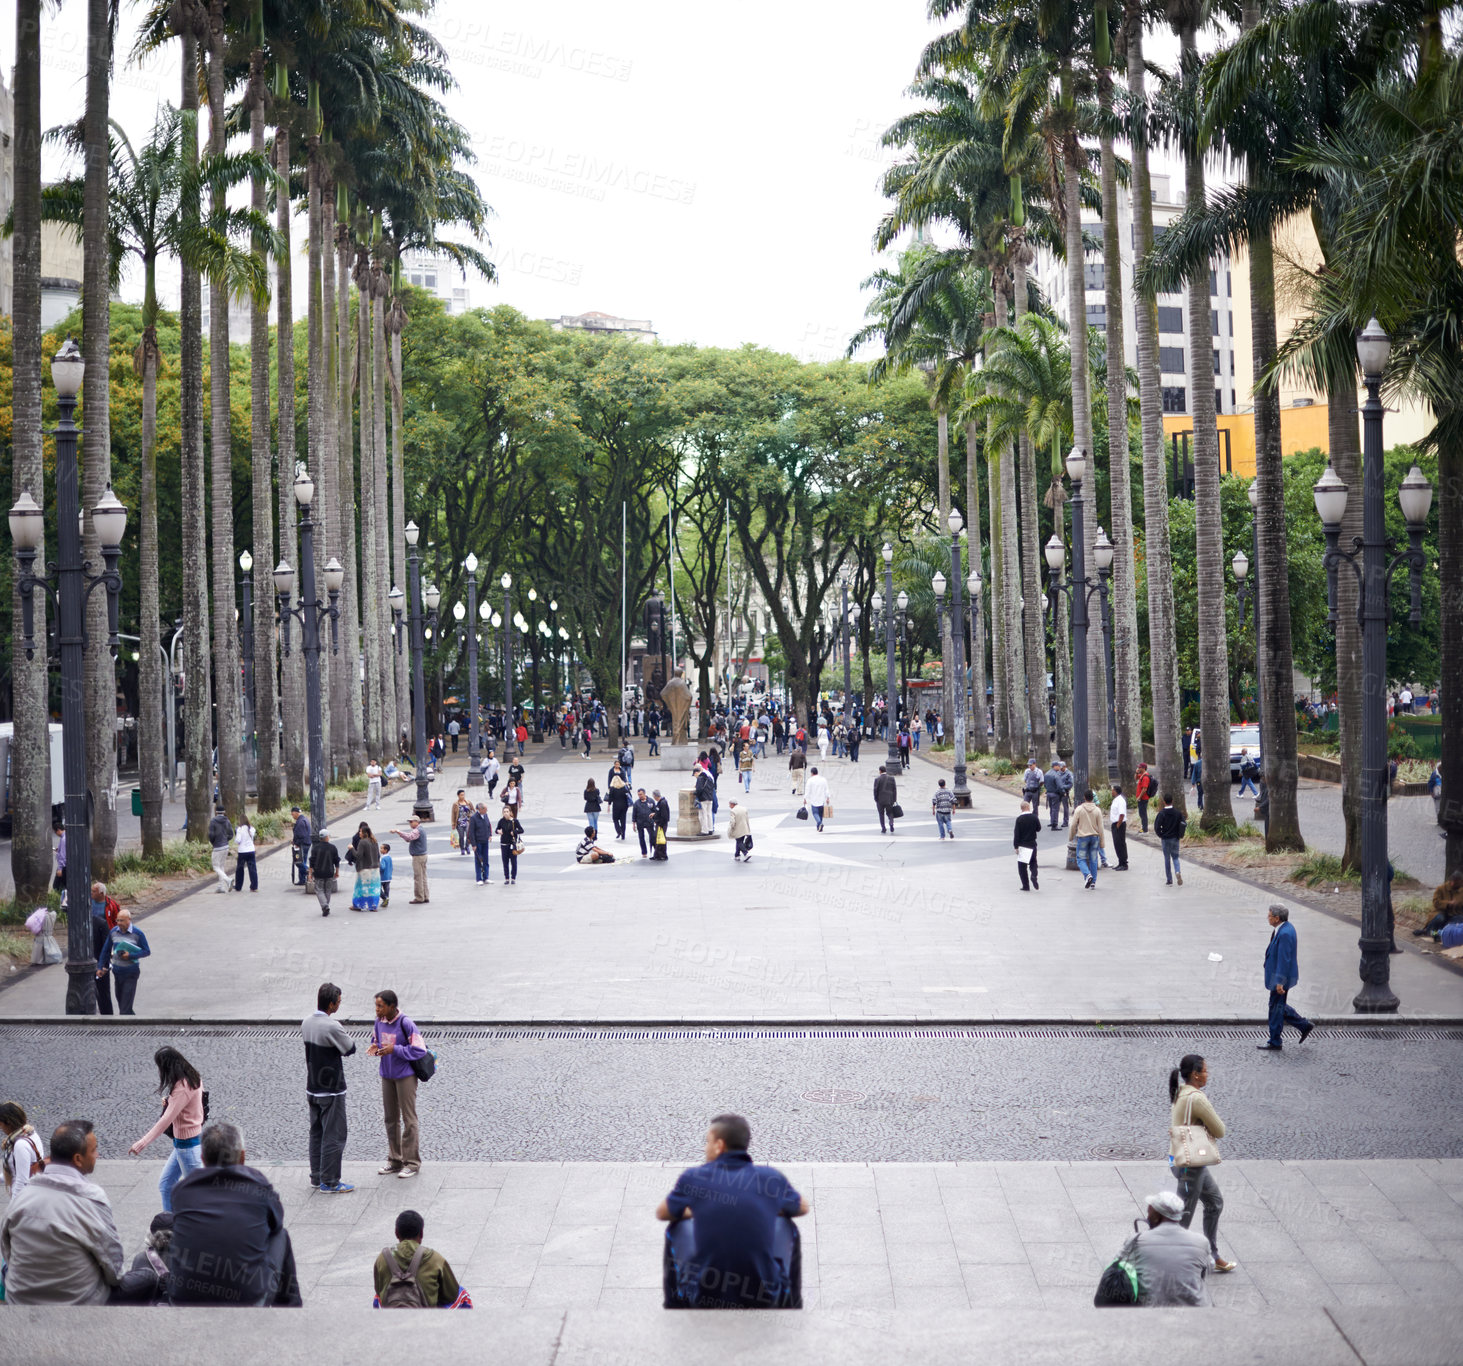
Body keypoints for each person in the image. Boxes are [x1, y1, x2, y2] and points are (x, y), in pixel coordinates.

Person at [657, 1113, 807, 1309]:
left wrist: (697, 1210)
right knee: (787, 1224)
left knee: (676, 1225)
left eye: (707, 1142)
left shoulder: (694, 1178)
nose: (705, 1147)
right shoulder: (771, 1179)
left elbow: (663, 1212)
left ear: (719, 1145)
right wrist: (767, 1208)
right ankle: (791, 1305)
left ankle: (675, 1307)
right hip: (763, 1297)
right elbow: (802, 1207)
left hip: (705, 1296)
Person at [168, 1122, 302, 1305]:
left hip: (184, 1298)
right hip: (247, 1299)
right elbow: (276, 1223)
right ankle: (290, 1312)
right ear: (242, 1157)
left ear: (203, 1158)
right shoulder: (257, 1186)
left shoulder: (181, 1190)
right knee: (281, 1236)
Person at [0, 1119, 123, 1305]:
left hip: (20, 1300)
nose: (97, 1155)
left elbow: (7, 1252)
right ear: (77, 1159)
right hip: (78, 1304)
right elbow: (113, 1266)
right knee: (146, 1275)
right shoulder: (92, 1199)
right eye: (94, 1150)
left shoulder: (21, 1199)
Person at [1167, 1056, 1237, 1272]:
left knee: (1214, 1202)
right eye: (1205, 1071)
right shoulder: (1197, 1099)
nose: (1208, 1074)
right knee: (1182, 1218)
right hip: (1190, 1166)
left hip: (1181, 1160)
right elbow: (1220, 1130)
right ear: (1196, 1074)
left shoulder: (1181, 1091)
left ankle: (1213, 1255)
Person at [128, 1046, 207, 1211]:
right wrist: (172, 1102)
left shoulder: (182, 1088)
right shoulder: (192, 1078)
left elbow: (165, 1120)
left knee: (198, 1195)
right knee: (166, 1185)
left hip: (187, 1146)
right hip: (185, 1144)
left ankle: (200, 1228)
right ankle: (169, 1224)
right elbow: (194, 1105)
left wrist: (141, 1143)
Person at [303, 982, 357, 1193]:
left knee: (316, 1134)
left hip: (312, 1087)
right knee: (334, 1136)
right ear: (332, 1004)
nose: (339, 1005)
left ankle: (316, 1176)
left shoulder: (306, 1022)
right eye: (339, 1002)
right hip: (332, 1089)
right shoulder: (332, 1026)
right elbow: (350, 1048)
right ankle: (330, 1181)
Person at [1115, 1192, 1214, 1306]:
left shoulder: (1136, 1241)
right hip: (1197, 1311)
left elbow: (1117, 1267)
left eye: (1149, 1212)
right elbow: (1210, 1268)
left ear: (1157, 1216)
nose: (1147, 1216)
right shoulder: (1201, 1241)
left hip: (1151, 1311)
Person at [368, 990, 427, 1179]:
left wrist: (396, 1049)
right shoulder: (379, 1022)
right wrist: (376, 1048)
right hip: (387, 1074)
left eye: (380, 1006)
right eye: (376, 1005)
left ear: (392, 1007)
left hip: (405, 1076)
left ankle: (412, 1163)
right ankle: (395, 1159)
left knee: (409, 1119)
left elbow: (419, 1049)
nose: (377, 1009)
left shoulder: (405, 1023)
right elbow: (376, 1040)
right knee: (390, 1118)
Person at [373, 1208, 471, 1308]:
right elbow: (451, 1295)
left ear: (396, 1233)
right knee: (462, 1295)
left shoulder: (382, 1257)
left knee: (377, 1298)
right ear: (421, 1234)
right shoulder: (435, 1259)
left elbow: (378, 1289)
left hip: (391, 1314)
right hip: (424, 1317)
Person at [1260, 905, 1313, 1050]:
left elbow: (1284, 960)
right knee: (1278, 1006)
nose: (1267, 917)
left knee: (1275, 1008)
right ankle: (1303, 1025)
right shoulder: (1284, 929)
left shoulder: (1284, 934)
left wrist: (1279, 982)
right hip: (1278, 977)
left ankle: (1275, 1041)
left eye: (1269, 915)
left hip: (1279, 979)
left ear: (1277, 918)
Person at [97, 907, 151, 1015]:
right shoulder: (113, 932)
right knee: (122, 1003)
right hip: (117, 972)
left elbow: (146, 951)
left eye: (121, 920)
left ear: (128, 920)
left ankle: (125, 1029)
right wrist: (100, 966)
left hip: (131, 972)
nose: (119, 923)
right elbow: (106, 950)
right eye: (117, 920)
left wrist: (130, 955)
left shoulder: (137, 933)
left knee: (124, 1008)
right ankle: (133, 1022)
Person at [1, 1101, 46, 1200]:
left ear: (8, 1123)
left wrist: (14, 1208)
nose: (1, 1128)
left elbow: (22, 1181)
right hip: (35, 1195)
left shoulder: (20, 1145)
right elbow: (16, 1172)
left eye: (1, 1124)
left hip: (26, 1200)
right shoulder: (31, 1133)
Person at [89, 882, 120, 1015]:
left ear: (101, 893)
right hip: (93, 937)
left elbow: (117, 920)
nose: (91, 893)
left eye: (94, 891)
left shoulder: (111, 905)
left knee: (102, 981)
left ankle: (106, 1011)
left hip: (105, 935)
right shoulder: (89, 903)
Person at [390, 815, 430, 904]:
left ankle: (419, 897)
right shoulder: (421, 829)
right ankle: (425, 896)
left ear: (416, 822)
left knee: (418, 877)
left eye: (411, 822)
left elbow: (409, 837)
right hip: (423, 855)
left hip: (418, 856)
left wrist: (398, 831)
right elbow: (409, 838)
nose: (410, 824)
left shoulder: (417, 830)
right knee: (423, 876)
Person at [1071, 789, 1106, 889]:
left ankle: (1087, 875)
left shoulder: (1079, 809)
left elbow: (1073, 824)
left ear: (1084, 798)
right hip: (1095, 838)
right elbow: (1101, 827)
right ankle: (1093, 882)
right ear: (1093, 798)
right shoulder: (1097, 810)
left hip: (1083, 837)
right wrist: (1102, 842)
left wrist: (1071, 835)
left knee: (1081, 859)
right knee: (1093, 859)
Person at [1414, 872, 1463, 937]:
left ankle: (1437, 933)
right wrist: (1448, 903)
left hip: (1454, 914)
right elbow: (1436, 902)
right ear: (1452, 882)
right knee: (1440, 918)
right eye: (1459, 883)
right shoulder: (1441, 889)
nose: (1461, 885)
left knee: (1457, 921)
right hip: (1441, 912)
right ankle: (1429, 931)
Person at [1154, 793, 1186, 887]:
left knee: (1167, 859)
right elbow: (1183, 823)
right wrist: (1179, 835)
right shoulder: (1178, 813)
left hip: (1165, 838)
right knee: (1175, 857)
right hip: (1175, 838)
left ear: (1164, 802)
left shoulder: (1162, 813)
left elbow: (1157, 826)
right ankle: (1177, 871)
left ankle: (1169, 879)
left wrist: (1161, 834)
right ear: (1172, 801)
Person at [349, 823, 383, 912]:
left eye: (360, 832)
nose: (359, 833)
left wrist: (351, 848)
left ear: (364, 833)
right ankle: (373, 905)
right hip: (375, 869)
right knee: (373, 888)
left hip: (364, 868)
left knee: (360, 888)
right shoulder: (374, 841)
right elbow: (378, 855)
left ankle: (358, 905)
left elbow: (358, 855)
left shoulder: (362, 842)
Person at [309, 827, 342, 916]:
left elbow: (311, 861)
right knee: (328, 890)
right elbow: (336, 861)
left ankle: (325, 906)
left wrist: (310, 873)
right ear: (327, 837)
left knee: (319, 890)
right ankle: (325, 905)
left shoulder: (315, 848)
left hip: (319, 873)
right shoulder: (333, 848)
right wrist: (337, 871)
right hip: (329, 872)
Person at [1014, 799, 1041, 891]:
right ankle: (1034, 875)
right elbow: (1039, 828)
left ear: (1021, 809)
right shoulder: (1034, 817)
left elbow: (1016, 834)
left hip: (1023, 845)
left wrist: (1016, 846)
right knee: (1033, 862)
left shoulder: (1019, 819)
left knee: (1022, 867)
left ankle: (1026, 885)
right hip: (1032, 843)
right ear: (1028, 807)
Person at [208, 803, 234, 894]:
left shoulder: (213, 821)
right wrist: (226, 840)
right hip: (225, 846)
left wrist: (214, 843)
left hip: (217, 847)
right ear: (224, 812)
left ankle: (228, 880)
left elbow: (211, 835)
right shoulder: (227, 821)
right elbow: (231, 834)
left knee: (215, 866)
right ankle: (220, 887)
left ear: (216, 812)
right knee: (221, 867)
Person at [497, 805, 524, 884]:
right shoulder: (501, 821)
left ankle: (513, 878)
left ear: (510, 812)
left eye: (507, 812)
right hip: (504, 844)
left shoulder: (515, 821)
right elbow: (497, 829)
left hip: (512, 844)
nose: (506, 813)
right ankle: (506, 878)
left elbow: (521, 830)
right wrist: (498, 831)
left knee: (513, 861)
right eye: (504, 812)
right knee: (505, 861)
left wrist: (515, 832)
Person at [469, 802, 494, 884]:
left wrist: (490, 834)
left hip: (485, 841)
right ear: (481, 810)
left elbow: (488, 825)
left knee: (486, 859)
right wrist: (473, 844)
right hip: (478, 842)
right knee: (478, 860)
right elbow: (471, 832)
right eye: (485, 809)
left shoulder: (486, 815)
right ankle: (479, 878)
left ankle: (486, 877)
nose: (487, 810)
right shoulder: (473, 818)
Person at [607, 764, 632, 839]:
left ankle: (618, 831)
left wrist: (609, 804)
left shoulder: (612, 788)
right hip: (624, 806)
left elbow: (610, 797)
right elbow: (629, 795)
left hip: (616, 806)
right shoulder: (624, 788)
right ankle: (623, 834)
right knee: (623, 820)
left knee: (615, 819)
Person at [804, 766, 831, 832]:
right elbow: (826, 789)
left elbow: (807, 790)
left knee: (815, 813)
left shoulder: (810, 780)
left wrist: (805, 798)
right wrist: (828, 797)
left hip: (814, 799)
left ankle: (819, 823)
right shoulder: (823, 779)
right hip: (822, 799)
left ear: (812, 773)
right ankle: (819, 826)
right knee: (820, 813)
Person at [1110, 784, 1129, 871]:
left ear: (1116, 791)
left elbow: (1121, 814)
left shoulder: (1120, 800)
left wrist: (1118, 825)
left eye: (1112, 790)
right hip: (1115, 824)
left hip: (1119, 824)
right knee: (1117, 844)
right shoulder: (1116, 800)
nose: (1111, 792)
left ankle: (1124, 863)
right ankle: (1120, 862)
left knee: (1120, 843)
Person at [292, 806, 312, 889]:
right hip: (307, 843)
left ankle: (309, 872)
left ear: (296, 813)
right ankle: (302, 880)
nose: (292, 816)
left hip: (302, 844)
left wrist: (296, 843)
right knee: (302, 861)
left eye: (292, 814)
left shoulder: (300, 822)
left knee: (299, 862)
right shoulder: (305, 819)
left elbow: (301, 835)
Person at [873, 765, 897, 834]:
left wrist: (876, 799)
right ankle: (891, 822)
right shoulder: (891, 778)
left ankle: (883, 828)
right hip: (889, 799)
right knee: (890, 813)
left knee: (881, 814)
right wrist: (894, 799)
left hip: (880, 800)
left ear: (880, 771)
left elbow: (875, 790)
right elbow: (894, 790)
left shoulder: (877, 779)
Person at [632, 788, 655, 858]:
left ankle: (655, 849)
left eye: (641, 794)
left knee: (652, 836)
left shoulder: (651, 801)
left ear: (644, 794)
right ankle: (644, 852)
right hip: (640, 822)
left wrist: (655, 819)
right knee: (641, 838)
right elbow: (634, 814)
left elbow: (655, 810)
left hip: (649, 822)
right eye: (638, 795)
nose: (640, 796)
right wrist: (634, 824)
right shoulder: (636, 803)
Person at [694, 761, 716, 835]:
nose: (695, 776)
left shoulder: (700, 778)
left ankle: (704, 830)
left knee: (703, 815)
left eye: (694, 775)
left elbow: (699, 789)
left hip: (703, 798)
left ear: (696, 772)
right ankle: (710, 829)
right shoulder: (708, 776)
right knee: (709, 814)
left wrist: (696, 793)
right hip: (710, 797)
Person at [451, 790, 472, 858]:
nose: (463, 796)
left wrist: (471, 817)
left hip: (467, 821)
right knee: (461, 836)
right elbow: (453, 814)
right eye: (461, 795)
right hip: (459, 822)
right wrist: (453, 824)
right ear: (458, 796)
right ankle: (462, 848)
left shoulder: (468, 802)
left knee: (468, 835)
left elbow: (472, 810)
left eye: (463, 795)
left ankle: (467, 847)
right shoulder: (456, 804)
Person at [1134, 763, 1154, 833]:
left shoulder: (1145, 777)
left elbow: (1144, 789)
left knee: (1143, 814)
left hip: (1143, 798)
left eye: (1139, 768)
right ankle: (1143, 827)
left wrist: (1139, 797)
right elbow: (1135, 778)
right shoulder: (1142, 775)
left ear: (1143, 768)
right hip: (1141, 798)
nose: (1138, 769)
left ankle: (1145, 830)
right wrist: (1136, 772)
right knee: (1141, 813)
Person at [652, 789, 671, 861]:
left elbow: (664, 815)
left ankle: (661, 855)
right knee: (659, 840)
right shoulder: (662, 802)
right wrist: (655, 815)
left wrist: (659, 823)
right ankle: (658, 855)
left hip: (661, 824)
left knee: (660, 840)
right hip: (661, 823)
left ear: (655, 796)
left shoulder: (662, 803)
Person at [380, 842, 394, 907]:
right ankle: (386, 902)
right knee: (387, 889)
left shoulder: (383, 858)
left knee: (378, 889)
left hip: (382, 877)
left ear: (385, 850)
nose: (380, 849)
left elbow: (382, 867)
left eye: (381, 848)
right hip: (388, 877)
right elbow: (391, 867)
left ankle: (385, 898)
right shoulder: (389, 857)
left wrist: (378, 865)